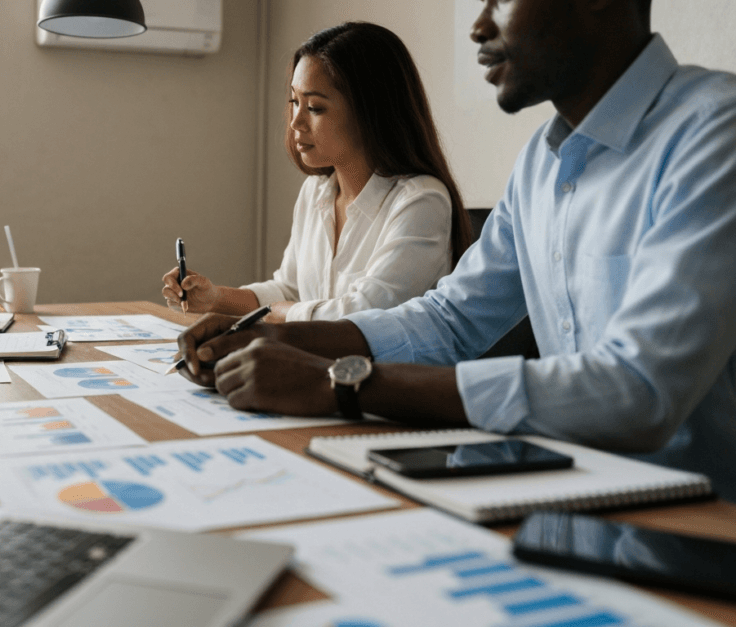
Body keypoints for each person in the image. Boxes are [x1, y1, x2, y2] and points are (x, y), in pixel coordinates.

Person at [176, 0, 736, 501]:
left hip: (705, 520)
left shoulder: (714, 132)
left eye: (500, 0)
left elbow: (636, 389)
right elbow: (451, 322)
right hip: (572, 493)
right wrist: (274, 337)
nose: (478, 25)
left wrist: (337, 382)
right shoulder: (540, 164)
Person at [161, 22, 471, 323]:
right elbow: (290, 290)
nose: (296, 122)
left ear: (371, 111)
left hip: (379, 373)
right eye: (295, 102)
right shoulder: (316, 192)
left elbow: (362, 315)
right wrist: (216, 298)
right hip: (315, 366)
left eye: (315, 108)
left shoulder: (422, 201)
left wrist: (278, 313)